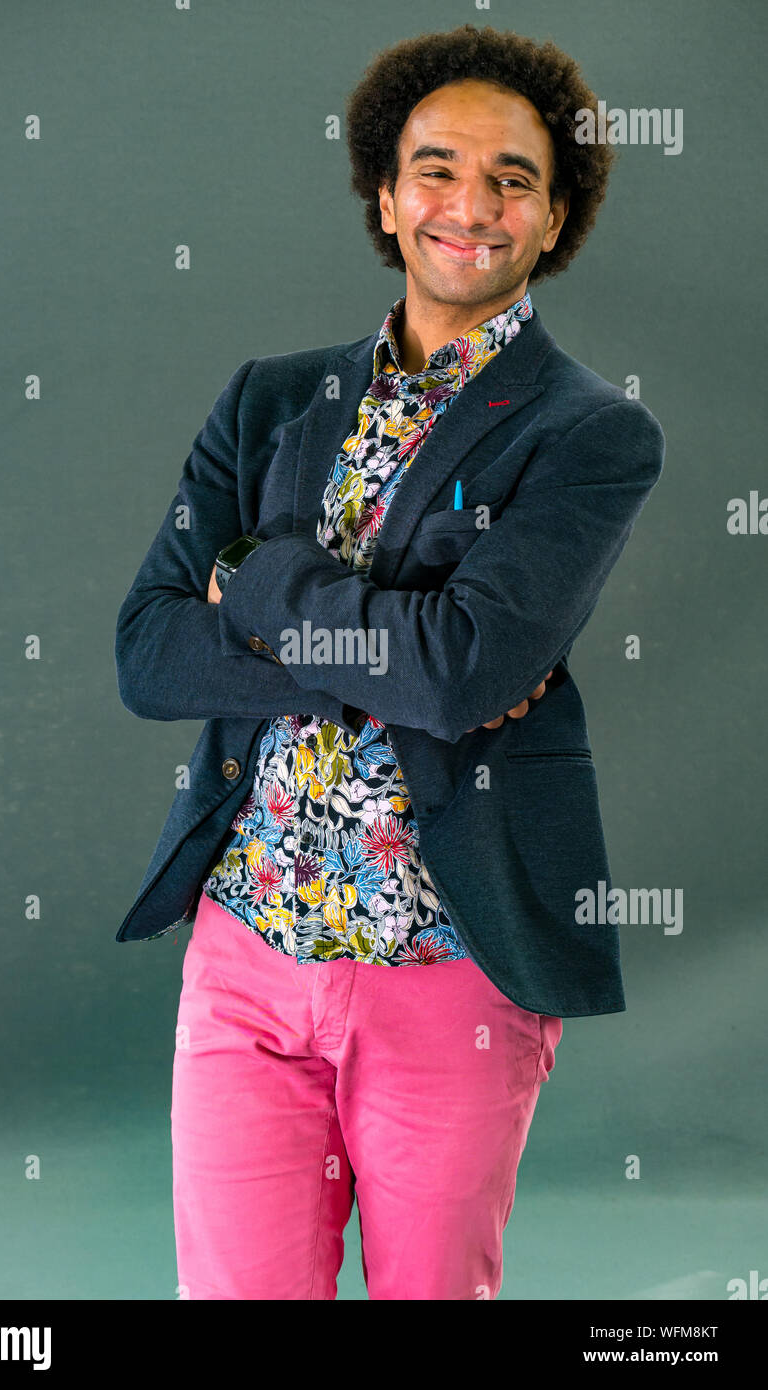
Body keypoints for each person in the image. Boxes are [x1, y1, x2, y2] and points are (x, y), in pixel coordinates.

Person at [114, 23, 665, 1300]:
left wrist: (251, 582)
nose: (467, 204)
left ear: (554, 215)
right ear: (383, 189)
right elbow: (148, 653)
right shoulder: (266, 400)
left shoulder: (590, 432)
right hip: (247, 952)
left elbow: (461, 673)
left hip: (449, 969)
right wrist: (401, 654)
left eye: (513, 179)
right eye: (435, 167)